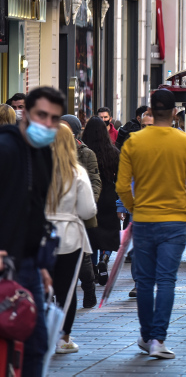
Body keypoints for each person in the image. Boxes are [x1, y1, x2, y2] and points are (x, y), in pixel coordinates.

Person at [116, 89, 186, 359]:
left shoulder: (133, 142)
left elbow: (121, 186)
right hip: (175, 220)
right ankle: (157, 339)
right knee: (166, 280)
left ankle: (145, 335)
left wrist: (134, 208)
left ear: (149, 112)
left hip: (143, 218)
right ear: (175, 112)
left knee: (144, 280)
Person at [0, 87, 65, 376]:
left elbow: (35, 210)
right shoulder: (6, 148)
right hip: (4, 261)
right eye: (41, 115)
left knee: (36, 343)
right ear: (25, 112)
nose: (47, 124)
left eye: (54, 118)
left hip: (27, 264)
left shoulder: (43, 154)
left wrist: (41, 266)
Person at [47, 124, 97, 354]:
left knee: (42, 287)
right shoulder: (77, 173)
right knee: (67, 290)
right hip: (69, 237)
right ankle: (63, 338)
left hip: (41, 236)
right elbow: (88, 211)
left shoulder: (37, 171)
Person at [61, 114, 102, 308]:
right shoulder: (47, 153)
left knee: (82, 256)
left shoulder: (86, 154)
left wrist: (88, 204)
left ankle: (88, 286)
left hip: (76, 212)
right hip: (54, 215)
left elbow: (94, 181)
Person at [82, 117, 122, 288]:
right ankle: (104, 258)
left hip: (88, 196)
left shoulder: (83, 152)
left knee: (91, 234)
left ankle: (91, 268)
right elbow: (121, 179)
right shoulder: (113, 152)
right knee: (109, 232)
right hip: (108, 197)